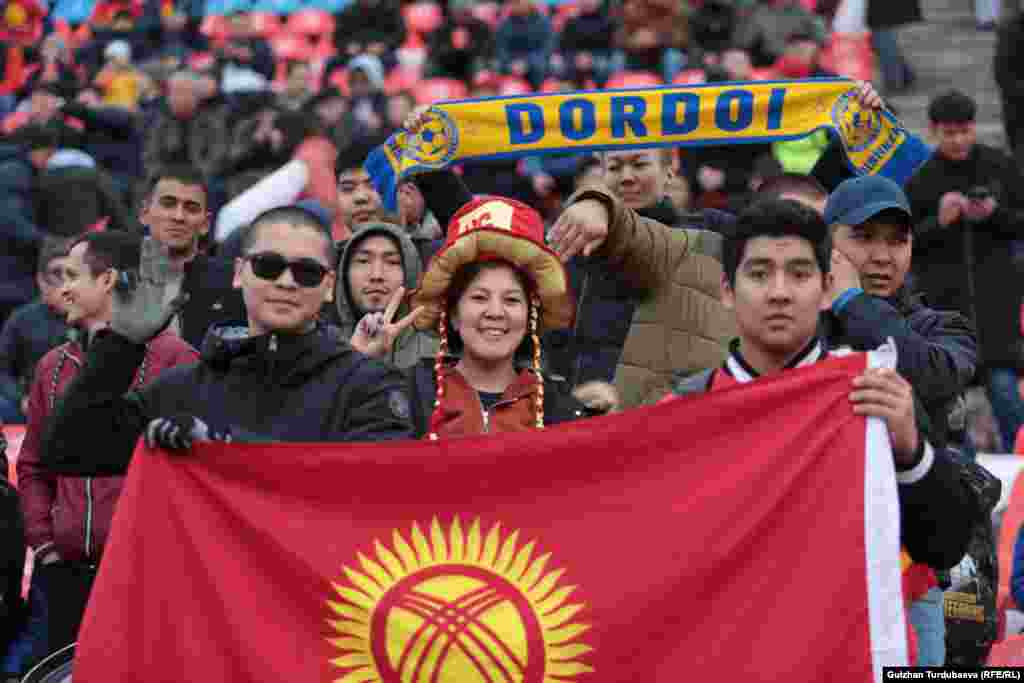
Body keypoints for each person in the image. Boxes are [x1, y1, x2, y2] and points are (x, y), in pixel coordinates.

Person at [41, 205, 414, 476]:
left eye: (307, 272)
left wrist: (225, 448)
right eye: (268, 266)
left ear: (329, 286)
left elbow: (377, 483)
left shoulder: (368, 386)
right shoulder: (184, 388)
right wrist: (121, 343)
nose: (286, 282)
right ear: (238, 273)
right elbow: (69, 450)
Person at [822, 175, 983, 666]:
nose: (882, 256)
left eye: (897, 241)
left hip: (912, 575)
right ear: (828, 241)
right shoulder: (799, 324)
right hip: (814, 567)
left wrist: (851, 302)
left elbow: (928, 375)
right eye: (863, 237)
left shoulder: (944, 327)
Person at [17, 231, 198, 660]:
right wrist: (46, 546)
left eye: (72, 275)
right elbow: (34, 466)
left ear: (108, 280)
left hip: (146, 575)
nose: (62, 289)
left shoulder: (178, 360)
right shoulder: (51, 366)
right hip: (65, 575)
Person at [351, 196, 589, 438]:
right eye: (479, 297)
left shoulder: (561, 411)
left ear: (530, 316)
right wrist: (356, 365)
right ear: (453, 314)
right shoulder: (408, 393)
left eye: (511, 300)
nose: (495, 312)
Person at [904, 90, 1024, 452]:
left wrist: (995, 214)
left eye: (964, 131)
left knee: (1006, 394)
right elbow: (905, 245)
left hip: (997, 305)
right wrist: (938, 222)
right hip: (946, 310)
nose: (957, 140)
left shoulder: (999, 166)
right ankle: (964, 472)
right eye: (948, 133)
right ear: (933, 131)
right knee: (950, 413)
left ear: (974, 127)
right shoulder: (921, 178)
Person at [139, 165, 247, 349]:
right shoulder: (116, 277)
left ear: (205, 224)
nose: (179, 216)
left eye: (191, 208)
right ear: (144, 213)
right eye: (168, 204)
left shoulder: (232, 282)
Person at [335, 222, 438, 368]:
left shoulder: (436, 356)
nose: (376, 275)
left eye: (392, 262)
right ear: (344, 274)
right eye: (363, 261)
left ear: (410, 273)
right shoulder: (322, 355)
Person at [0, 239, 70, 424]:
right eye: (57, 274)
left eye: (71, 274)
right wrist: (21, 398)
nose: (65, 282)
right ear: (41, 280)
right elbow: (2, 370)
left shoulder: (91, 316)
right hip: (29, 404)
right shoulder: (22, 319)